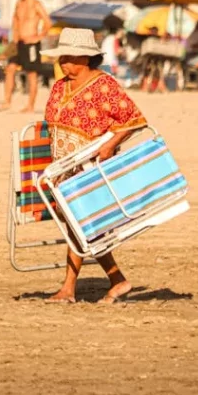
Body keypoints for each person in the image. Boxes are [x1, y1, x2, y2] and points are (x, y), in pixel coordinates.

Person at [40, 28, 148, 304]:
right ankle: (115, 280)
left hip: (90, 169)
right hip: (62, 170)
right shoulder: (59, 86)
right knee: (83, 228)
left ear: (86, 58)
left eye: (70, 57)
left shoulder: (104, 85)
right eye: (61, 57)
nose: (63, 62)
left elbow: (134, 120)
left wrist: (109, 145)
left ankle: (71, 288)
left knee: (81, 226)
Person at [0, 0, 51, 113]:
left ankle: (30, 106)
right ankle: (6, 101)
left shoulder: (36, 4)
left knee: (31, 74)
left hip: (32, 44)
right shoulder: (18, 3)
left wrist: (39, 36)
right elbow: (15, 21)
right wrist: (12, 39)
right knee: (10, 69)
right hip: (19, 43)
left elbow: (48, 23)